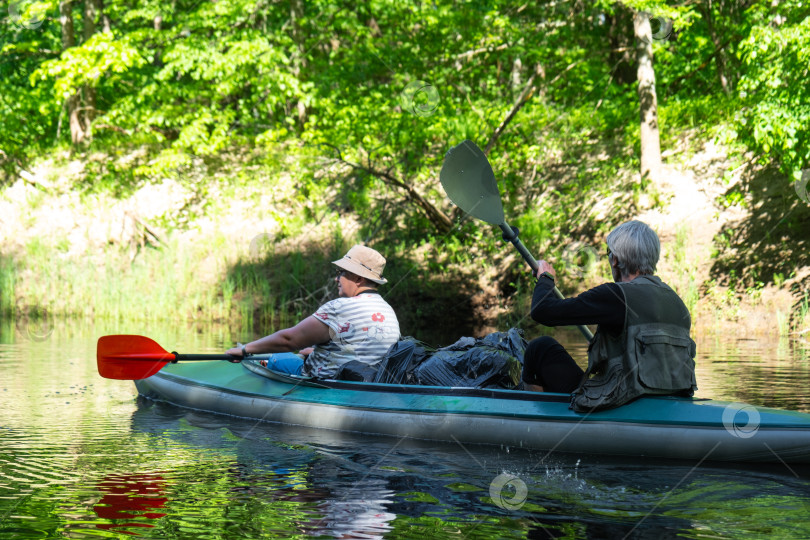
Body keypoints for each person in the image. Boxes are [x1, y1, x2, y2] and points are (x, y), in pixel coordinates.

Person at [522, 220, 697, 411]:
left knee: (540, 348)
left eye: (609, 254)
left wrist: (545, 277)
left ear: (615, 260)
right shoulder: (677, 302)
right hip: (671, 403)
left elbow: (542, 310)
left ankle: (534, 422)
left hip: (623, 401)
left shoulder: (615, 296)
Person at [226, 245, 401, 379]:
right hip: (364, 382)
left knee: (276, 357)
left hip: (324, 380)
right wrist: (313, 351)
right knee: (303, 353)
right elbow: (361, 353)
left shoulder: (339, 307)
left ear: (358, 278)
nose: (336, 278)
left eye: (341, 273)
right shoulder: (388, 311)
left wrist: (246, 349)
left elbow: (289, 340)